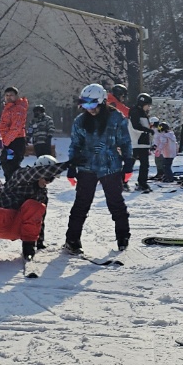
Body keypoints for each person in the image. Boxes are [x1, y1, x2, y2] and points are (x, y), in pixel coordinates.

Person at [64, 83, 132, 254]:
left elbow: (125, 141)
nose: (90, 109)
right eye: (85, 105)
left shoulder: (116, 118)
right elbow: (75, 144)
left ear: (102, 102)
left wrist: (128, 162)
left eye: (93, 105)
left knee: (116, 203)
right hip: (87, 167)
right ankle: (72, 240)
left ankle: (123, 237)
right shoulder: (80, 121)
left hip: (110, 166)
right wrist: (72, 165)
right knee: (81, 204)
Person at [0, 86, 29, 181]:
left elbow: (16, 128)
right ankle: (10, 187)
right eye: (7, 95)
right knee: (6, 165)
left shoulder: (18, 109)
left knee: (12, 166)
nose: (8, 97)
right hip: (7, 141)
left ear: (16, 96)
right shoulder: (8, 108)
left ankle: (14, 188)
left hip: (15, 141)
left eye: (11, 95)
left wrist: (5, 143)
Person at [128, 93, 154, 191]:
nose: (149, 108)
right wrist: (148, 130)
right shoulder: (135, 112)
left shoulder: (142, 113)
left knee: (144, 165)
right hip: (136, 142)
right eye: (148, 105)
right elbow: (136, 126)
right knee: (130, 164)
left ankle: (142, 183)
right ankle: (122, 181)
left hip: (142, 143)